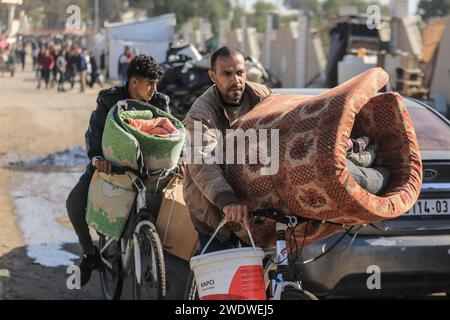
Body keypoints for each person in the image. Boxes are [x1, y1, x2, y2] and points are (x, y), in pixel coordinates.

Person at [66, 54, 171, 287]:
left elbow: (171, 135)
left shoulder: (160, 102)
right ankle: (90, 254)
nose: (154, 89)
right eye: (150, 83)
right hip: (110, 167)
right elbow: (94, 132)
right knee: (74, 203)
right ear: (134, 82)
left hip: (148, 170)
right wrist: (97, 159)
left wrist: (179, 159)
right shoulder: (108, 98)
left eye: (156, 84)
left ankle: (154, 251)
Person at [183, 47, 272, 254]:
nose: (236, 79)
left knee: (264, 274)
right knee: (220, 276)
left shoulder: (264, 98)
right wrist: (226, 200)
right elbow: (202, 160)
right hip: (212, 207)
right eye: (226, 74)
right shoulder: (200, 113)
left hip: (254, 206)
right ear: (212, 76)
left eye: (239, 72)